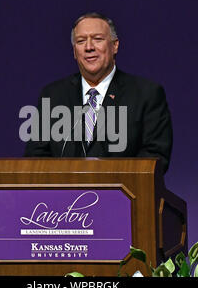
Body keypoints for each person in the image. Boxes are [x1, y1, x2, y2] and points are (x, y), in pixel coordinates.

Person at [24, 12, 173, 174]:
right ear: (75, 51)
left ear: (115, 45)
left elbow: (155, 158)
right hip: (64, 198)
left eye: (97, 39)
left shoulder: (146, 94)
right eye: (81, 41)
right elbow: (35, 158)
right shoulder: (53, 95)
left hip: (124, 196)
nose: (89, 47)